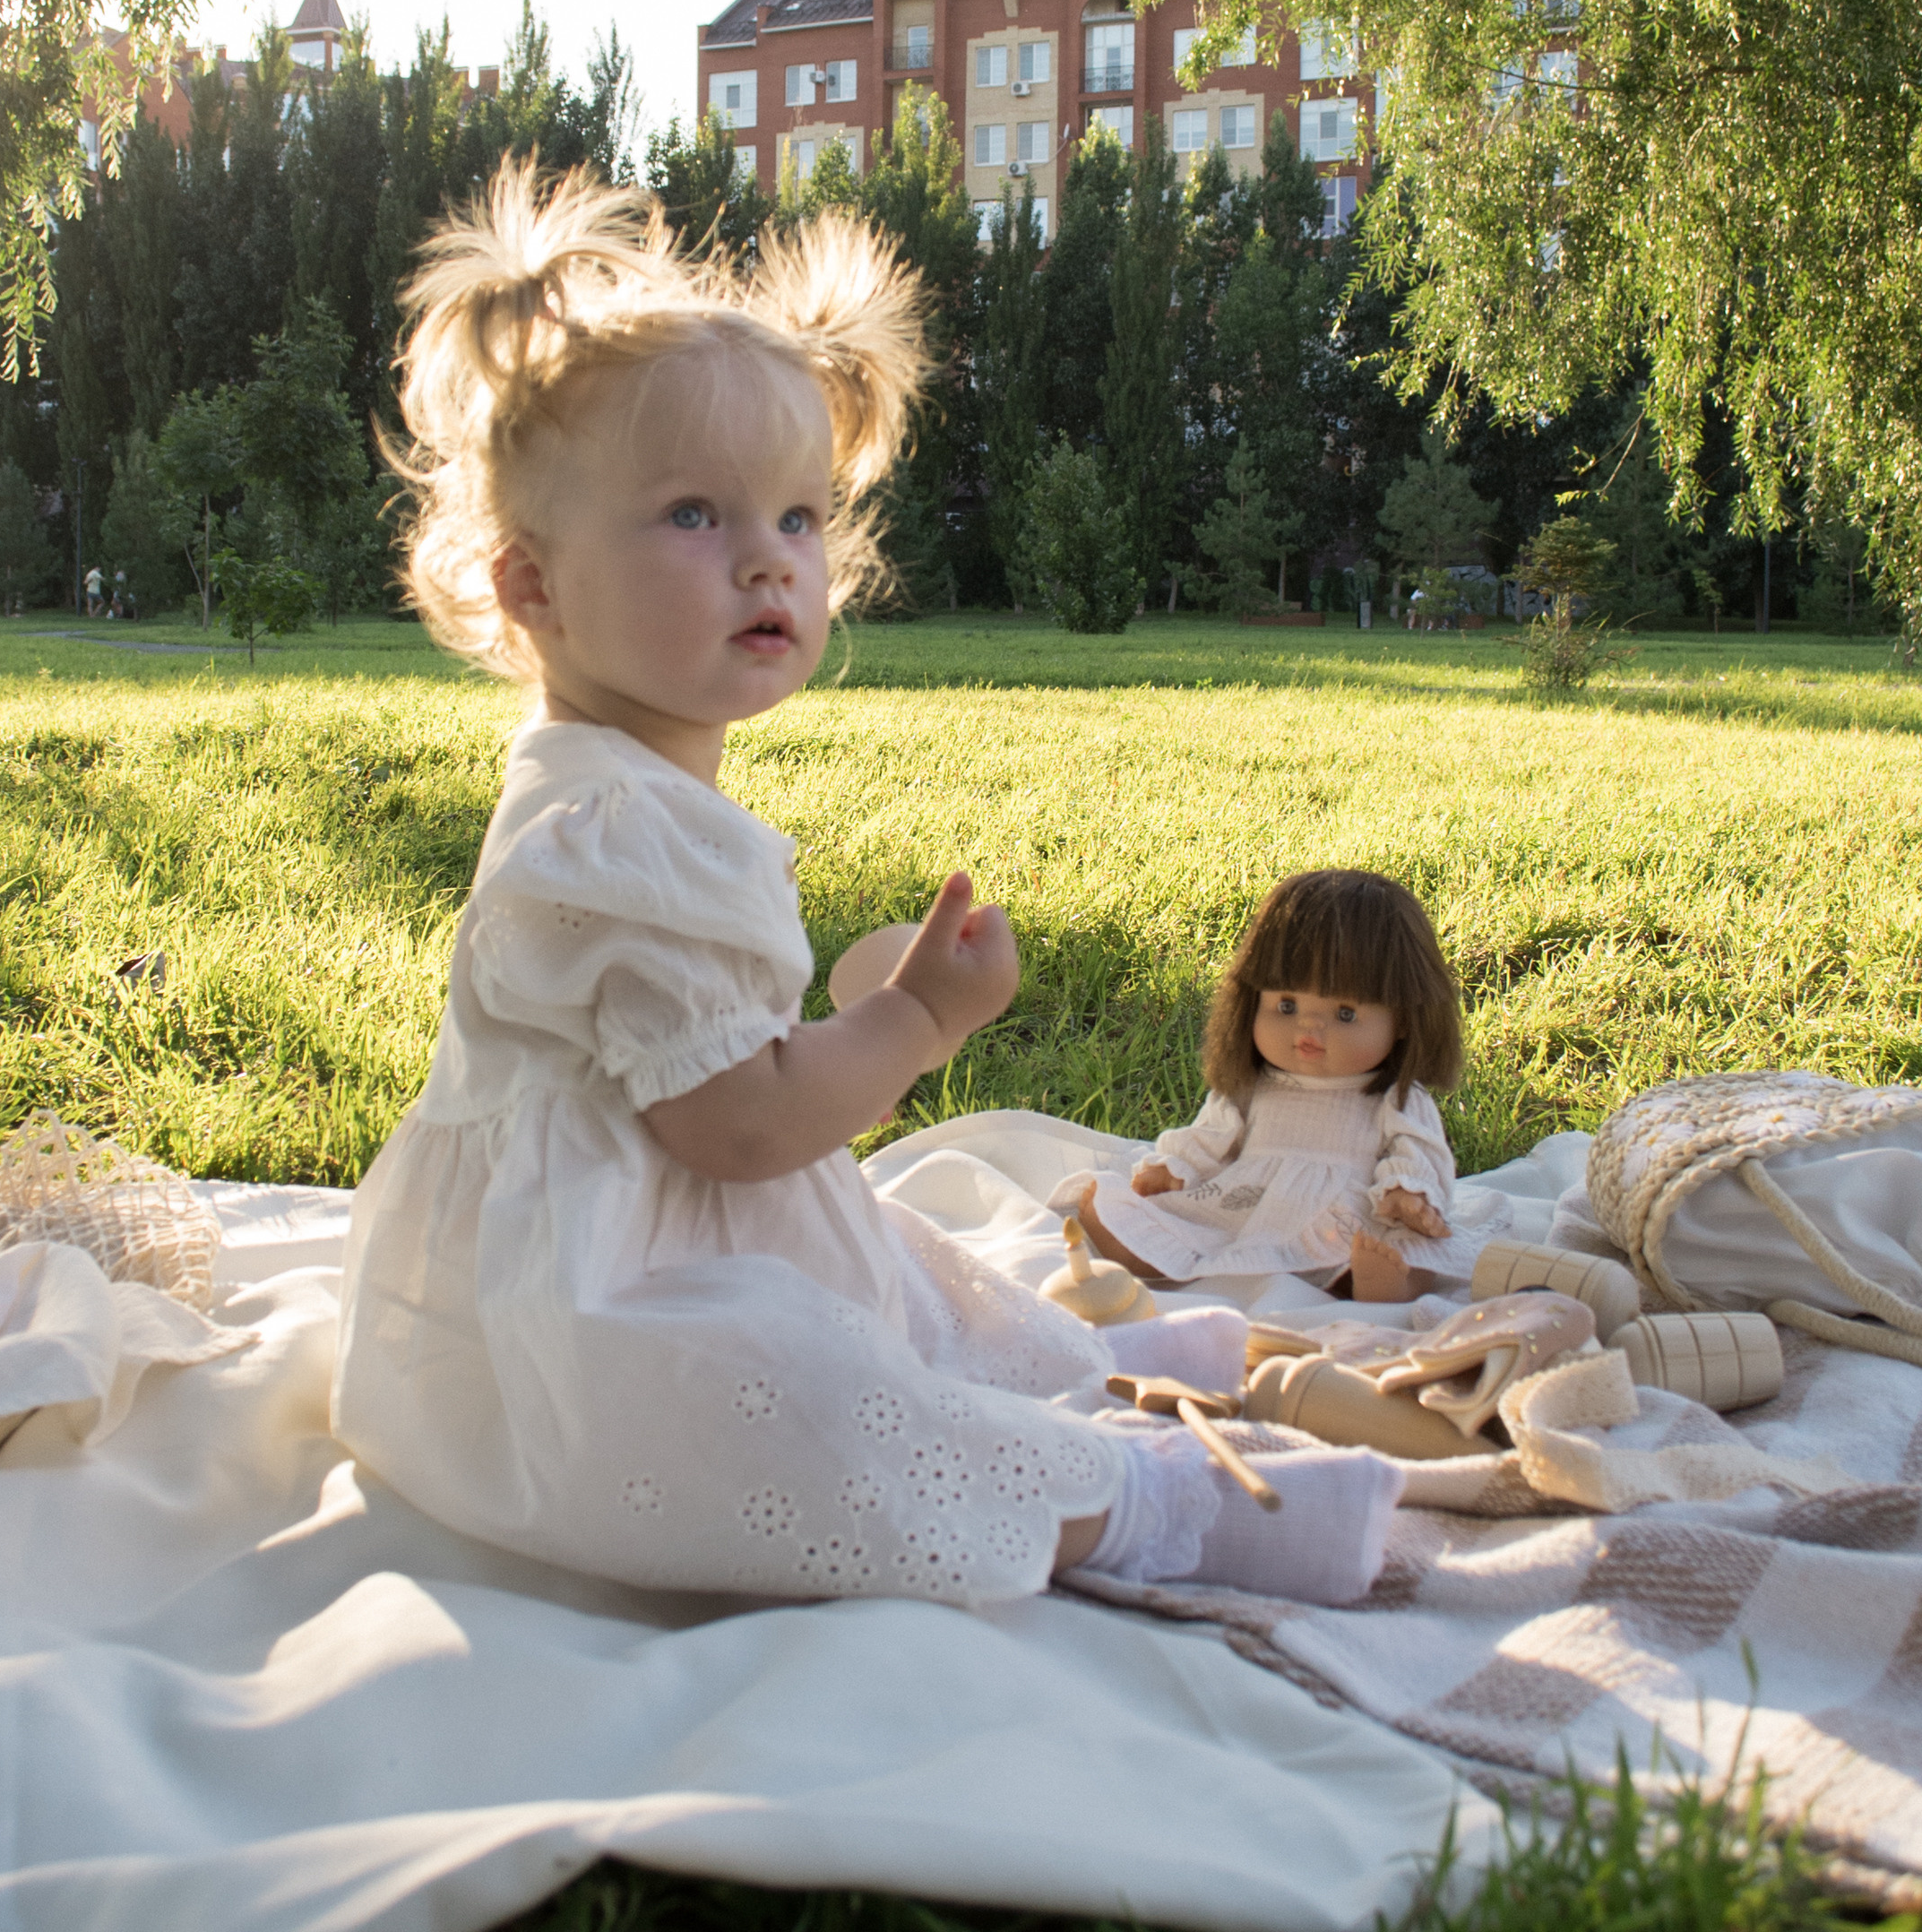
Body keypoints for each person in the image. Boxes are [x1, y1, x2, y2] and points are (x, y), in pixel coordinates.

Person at [332, 164, 1401, 1611]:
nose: (766, 563)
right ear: (533, 586)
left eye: (797, 518)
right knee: (800, 1397)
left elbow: (714, 1073)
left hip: (652, 1219)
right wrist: (918, 1022)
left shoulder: (619, 785)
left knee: (893, 1264)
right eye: (694, 516)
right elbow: (743, 1126)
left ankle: (1072, 1368)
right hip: (586, 1316)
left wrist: (854, 1011)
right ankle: (1145, 1507)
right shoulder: (614, 833)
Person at [1064, 869, 1504, 1305]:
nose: (1309, 1027)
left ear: (1405, 1019)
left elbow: (1419, 1151)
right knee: (1182, 1224)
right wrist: (1175, 1169)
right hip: (1250, 1207)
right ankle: (1137, 1252)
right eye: (1287, 1005)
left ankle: (1388, 1284)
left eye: (1345, 1014)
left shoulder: (1396, 1097)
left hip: (1346, 1215)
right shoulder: (1252, 1086)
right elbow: (1212, 1137)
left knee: (1410, 1246)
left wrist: (1408, 1194)